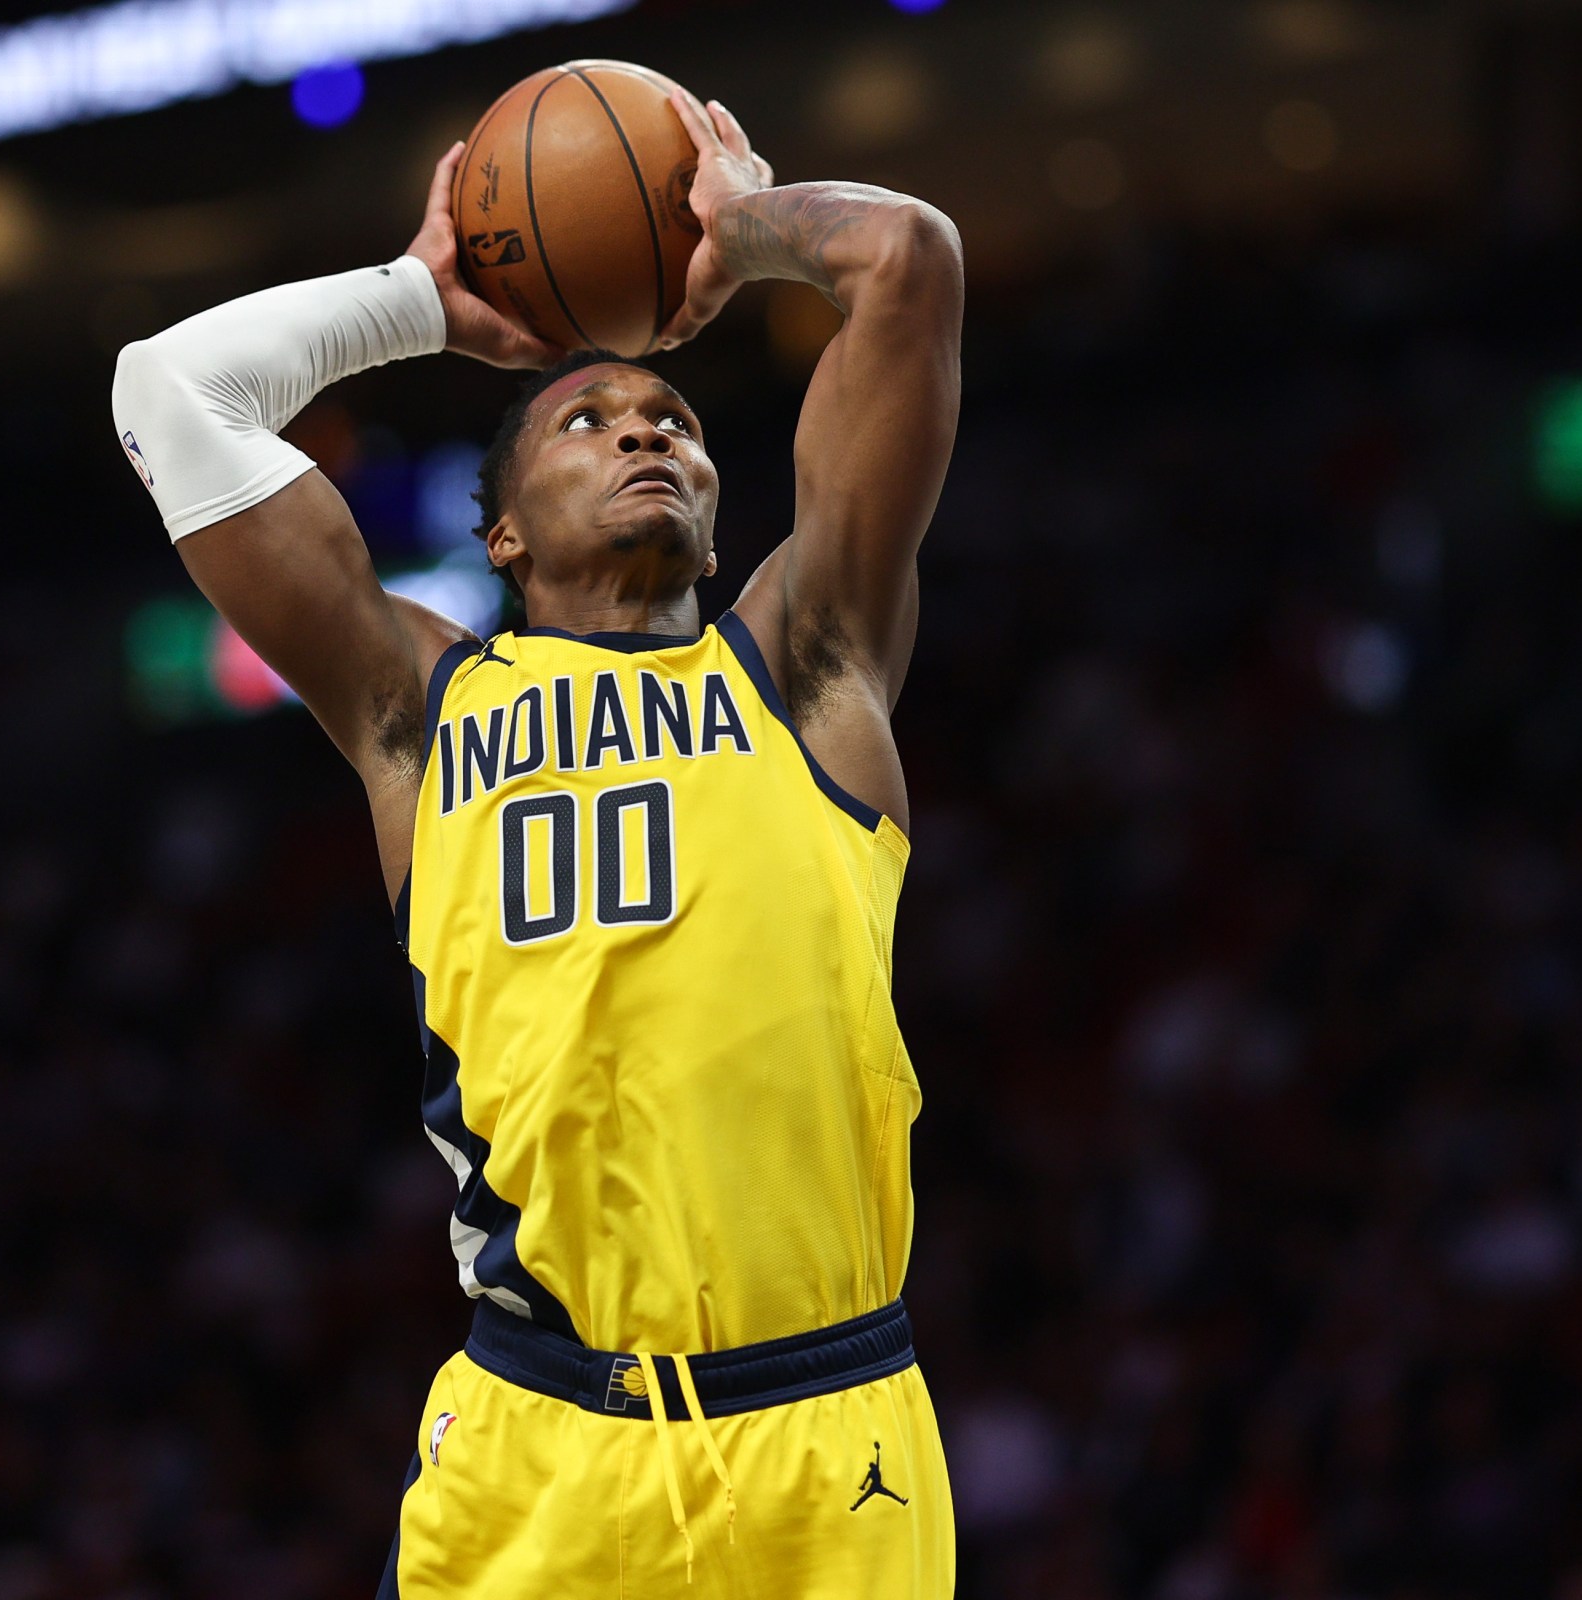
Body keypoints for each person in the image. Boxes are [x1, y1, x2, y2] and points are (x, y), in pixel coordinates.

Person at [110, 86, 963, 1599]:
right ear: (501, 530)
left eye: (677, 424)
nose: (646, 425)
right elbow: (164, 391)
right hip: (541, 1441)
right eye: (590, 417)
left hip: (830, 1443)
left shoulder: (806, 666)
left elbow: (906, 260)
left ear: (713, 503)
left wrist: (738, 225)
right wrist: (415, 304)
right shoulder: (420, 711)